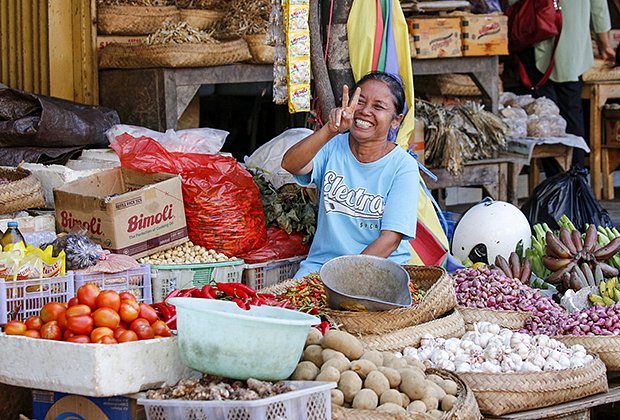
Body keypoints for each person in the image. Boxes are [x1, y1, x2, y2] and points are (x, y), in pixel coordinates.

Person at [281, 71, 420, 278]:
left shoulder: (403, 166)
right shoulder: (332, 147)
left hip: (379, 269)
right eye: (360, 102)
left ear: (395, 121)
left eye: (378, 107)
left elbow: (390, 240)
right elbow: (290, 163)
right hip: (321, 268)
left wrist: (345, 278)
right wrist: (330, 130)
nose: (364, 111)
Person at [510, 0, 616, 175]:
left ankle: (556, 180)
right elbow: (598, 5)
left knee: (542, 116)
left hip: (537, 39)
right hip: (572, 45)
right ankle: (575, 177)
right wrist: (604, 42)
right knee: (571, 112)